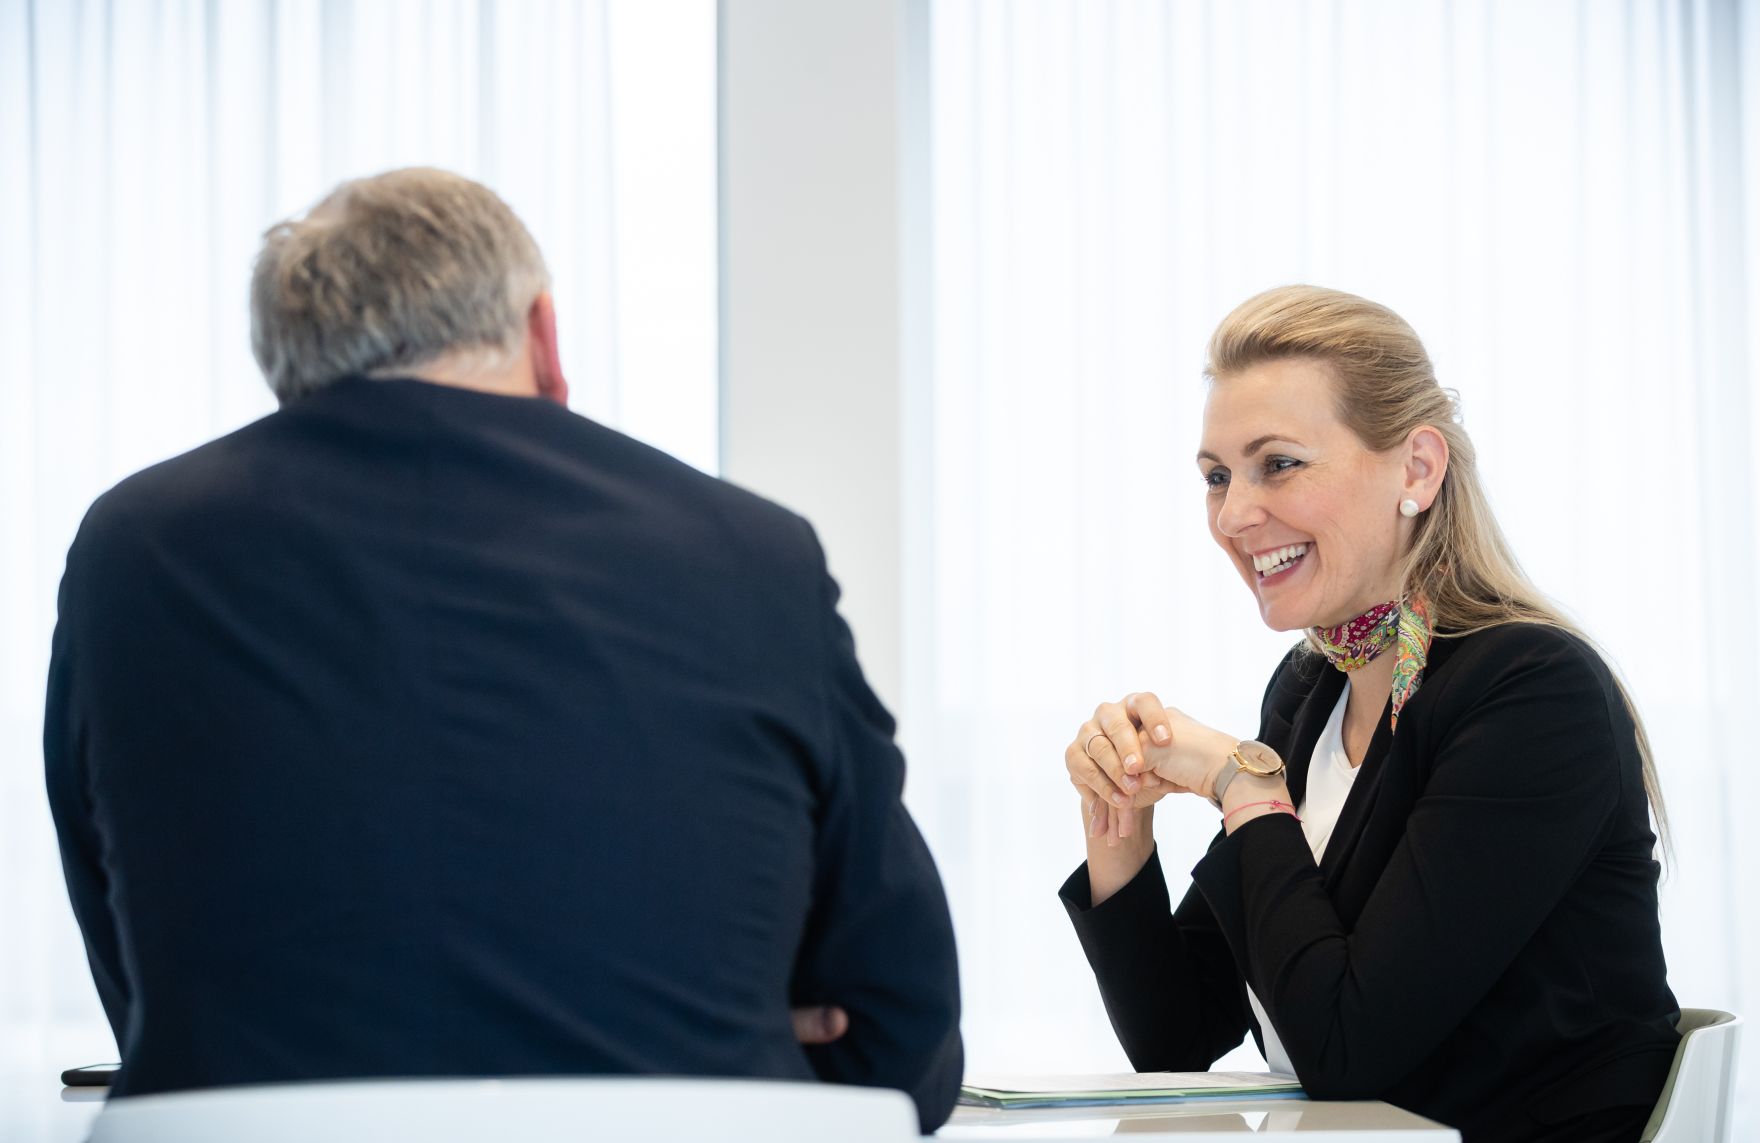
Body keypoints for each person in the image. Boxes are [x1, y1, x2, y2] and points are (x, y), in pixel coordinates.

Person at [44, 167, 962, 1132]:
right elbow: (901, 1035)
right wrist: (725, 1052)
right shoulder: (751, 554)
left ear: (287, 367)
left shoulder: (131, 553)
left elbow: (152, 998)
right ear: (544, 338)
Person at [1058, 285, 1678, 1143]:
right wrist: (1119, 829)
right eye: (1216, 476)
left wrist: (1242, 780)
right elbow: (1181, 1030)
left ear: (1416, 470)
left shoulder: (1534, 691)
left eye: (1278, 463)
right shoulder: (1310, 690)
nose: (1235, 514)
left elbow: (1347, 1049)